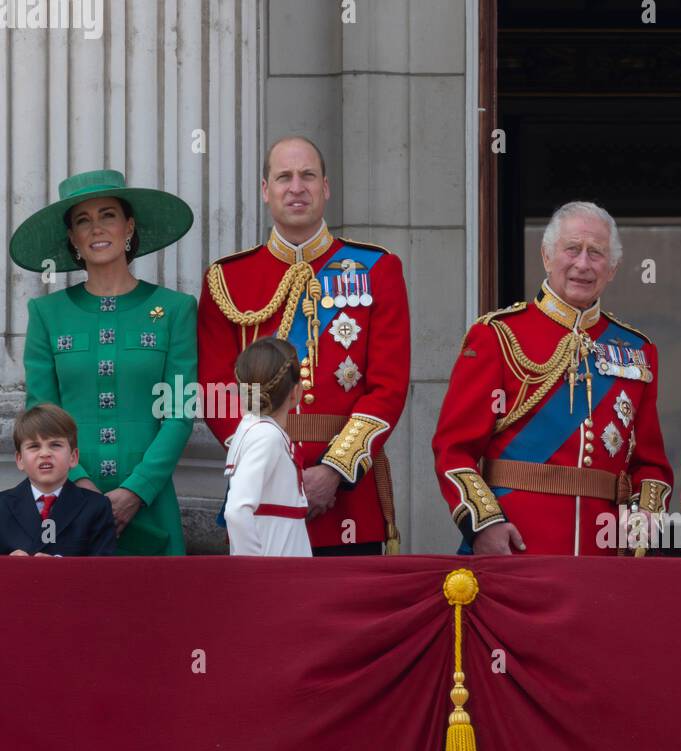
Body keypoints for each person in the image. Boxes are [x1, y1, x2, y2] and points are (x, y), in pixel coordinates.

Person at [197, 136, 411, 555]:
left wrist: (334, 470)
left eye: (308, 176)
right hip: (262, 495)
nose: (297, 187)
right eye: (284, 177)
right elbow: (216, 391)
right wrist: (271, 467)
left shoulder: (378, 269)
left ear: (325, 187)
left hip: (348, 496)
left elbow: (388, 388)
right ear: (265, 191)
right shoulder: (226, 279)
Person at [433, 200, 673, 556]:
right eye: (572, 249)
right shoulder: (497, 336)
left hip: (603, 558)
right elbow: (454, 450)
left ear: (613, 269)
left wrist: (644, 523)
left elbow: (651, 465)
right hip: (516, 548)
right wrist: (484, 525)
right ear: (546, 256)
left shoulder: (638, 350)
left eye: (597, 254)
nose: (583, 264)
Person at [10, 169, 196, 555]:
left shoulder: (176, 309)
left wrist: (136, 489)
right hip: (70, 500)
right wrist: (80, 484)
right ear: (73, 240)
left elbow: (180, 411)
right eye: (83, 220)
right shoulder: (46, 313)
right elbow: (41, 413)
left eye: (108, 215)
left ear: (129, 226)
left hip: (151, 499)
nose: (96, 228)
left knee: (156, 610)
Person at [223, 338, 312, 557]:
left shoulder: (256, 429)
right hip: (276, 581)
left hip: (281, 577)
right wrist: (257, 574)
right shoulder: (266, 436)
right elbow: (237, 510)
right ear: (296, 392)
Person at [1, 403, 115, 556]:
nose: (45, 453)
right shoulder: (2, 506)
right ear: (20, 459)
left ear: (73, 457)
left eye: (55, 445)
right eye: (34, 446)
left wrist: (60, 568)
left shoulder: (96, 507)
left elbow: (104, 570)